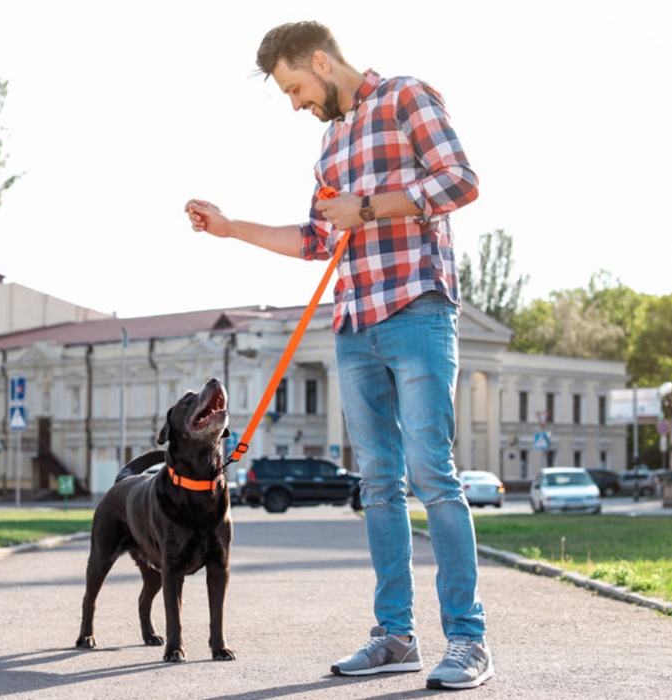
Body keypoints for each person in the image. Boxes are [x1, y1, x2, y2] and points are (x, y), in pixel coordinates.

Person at [184, 21, 492, 691]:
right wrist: (232, 228)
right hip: (353, 326)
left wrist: (375, 207)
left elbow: (462, 181)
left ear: (321, 62)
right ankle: (396, 637)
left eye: (296, 87)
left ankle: (467, 641)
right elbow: (319, 238)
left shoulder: (408, 98)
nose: (296, 104)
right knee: (377, 486)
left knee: (431, 474)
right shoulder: (329, 145)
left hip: (418, 310)